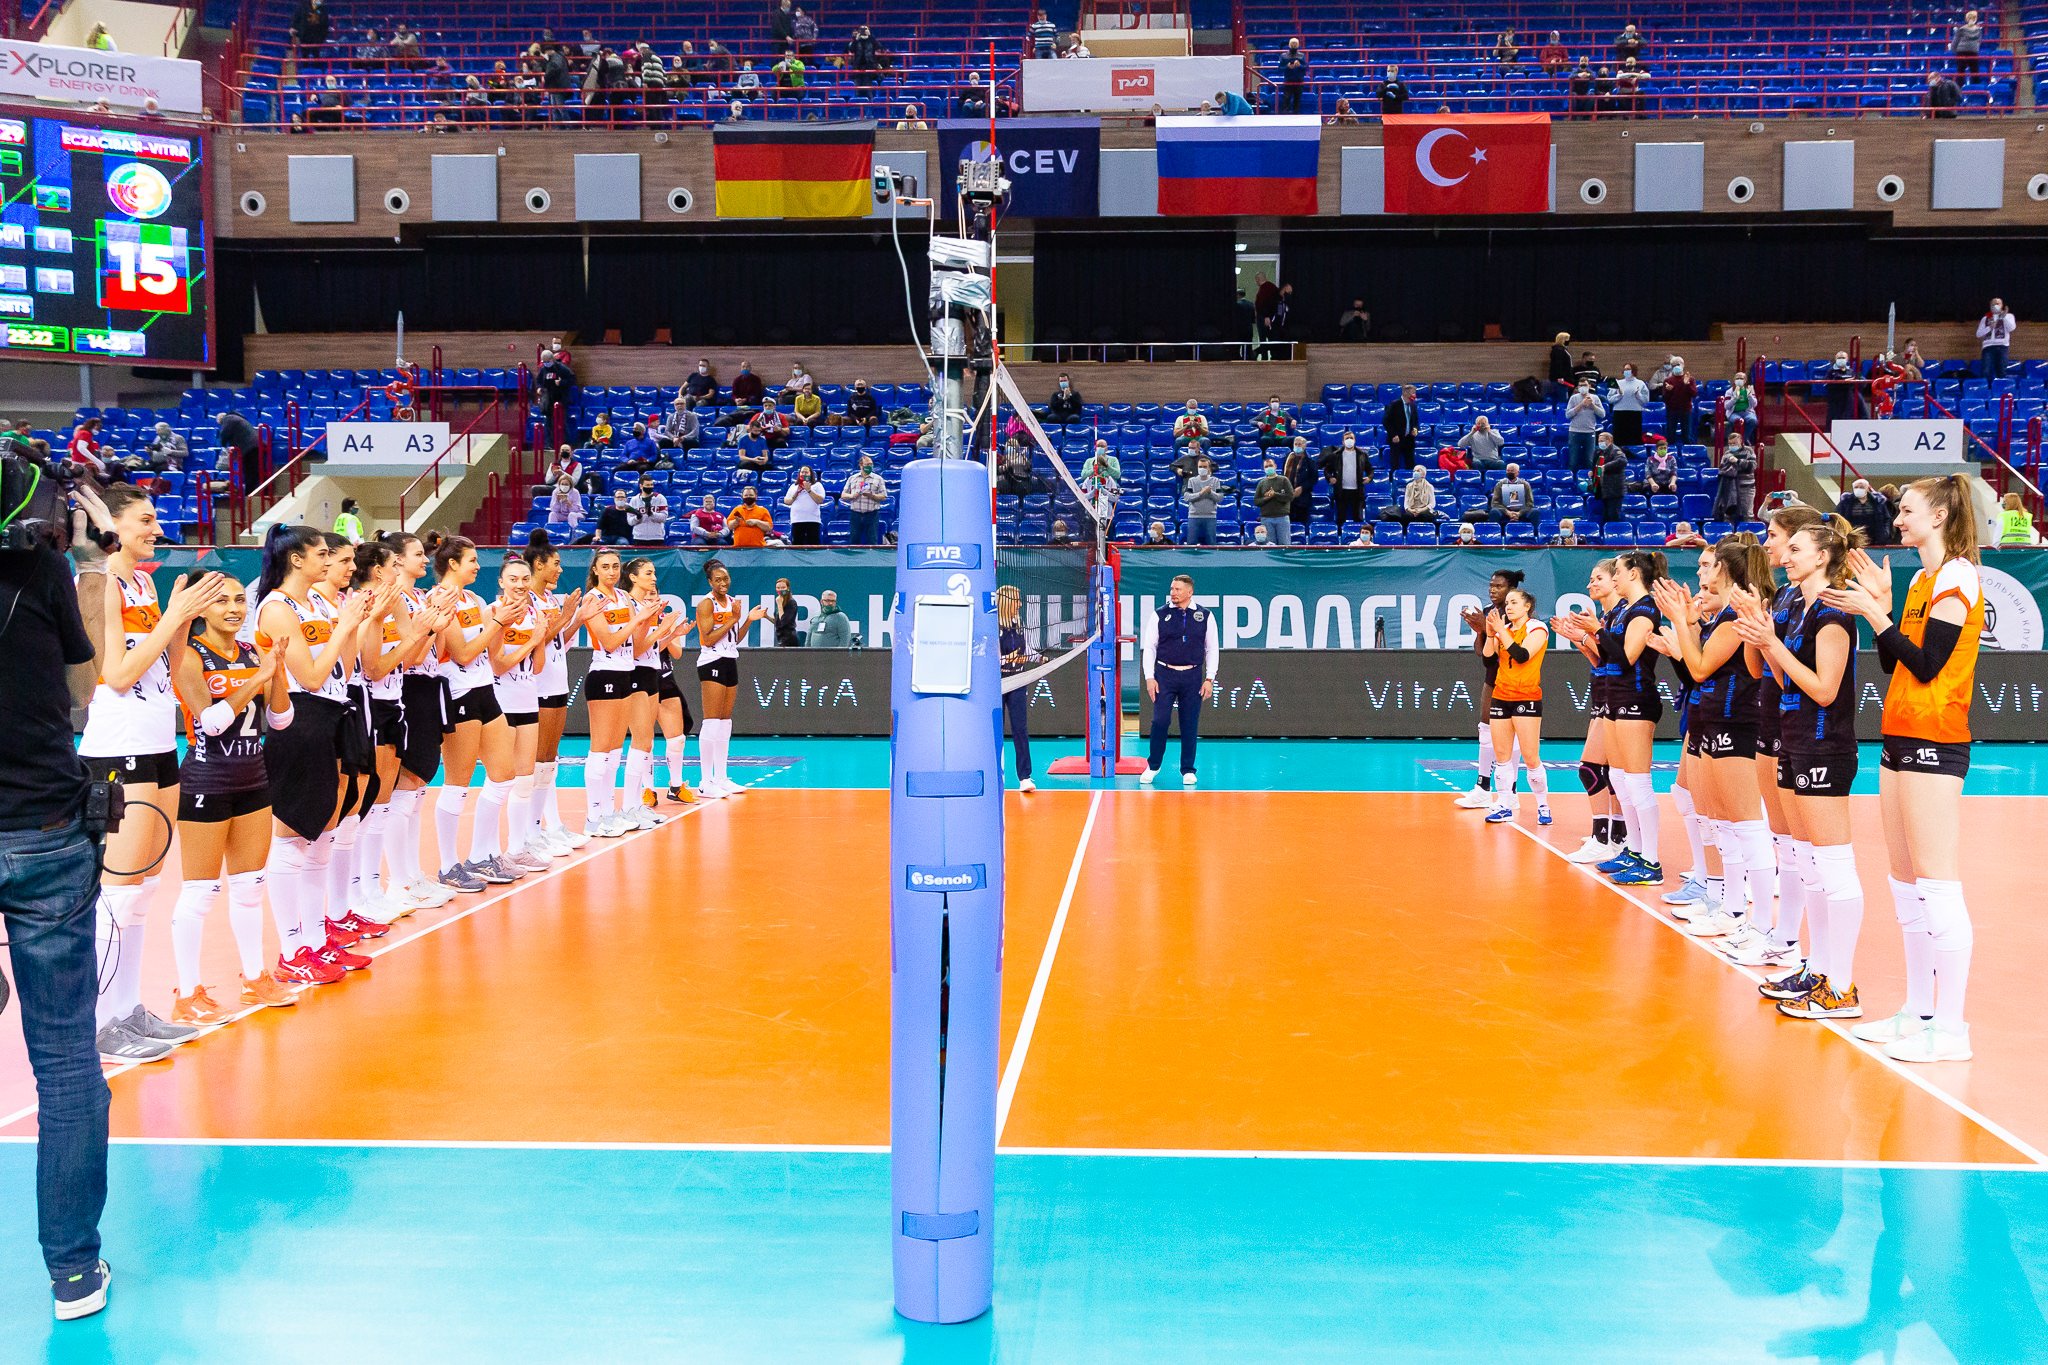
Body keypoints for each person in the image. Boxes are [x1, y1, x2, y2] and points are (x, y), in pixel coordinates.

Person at [1, 507, 121, 1318]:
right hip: (43, 831)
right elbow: (84, 694)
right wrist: (90, 565)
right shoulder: (40, 571)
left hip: (42, 827)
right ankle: (73, 1270)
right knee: (66, 1059)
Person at [1827, 477, 1981, 1060]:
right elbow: (1895, 665)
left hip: (1936, 738)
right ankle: (1918, 1010)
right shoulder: (1920, 580)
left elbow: (1927, 665)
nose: (1897, 520)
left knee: (1937, 884)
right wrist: (1884, 610)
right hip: (1899, 733)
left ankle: (1952, 1028)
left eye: (1908, 510)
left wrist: (1874, 611)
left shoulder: (1959, 578)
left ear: (1939, 515)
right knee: (1906, 884)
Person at [77, 486, 230, 1061]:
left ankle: (127, 1009)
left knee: (142, 891)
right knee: (117, 894)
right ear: (111, 525)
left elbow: (162, 662)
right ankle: (98, 1024)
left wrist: (180, 621)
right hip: (119, 750)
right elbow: (117, 675)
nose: (156, 528)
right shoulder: (102, 584)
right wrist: (174, 617)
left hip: (159, 743)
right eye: (144, 519)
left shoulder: (143, 583)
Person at [1732, 516, 1867, 1022]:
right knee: (1809, 863)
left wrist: (1771, 643)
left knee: (1833, 866)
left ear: (1822, 557)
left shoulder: (1833, 614)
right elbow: (1779, 676)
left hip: (1824, 745)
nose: (1785, 556)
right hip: (1794, 740)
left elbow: (1825, 689)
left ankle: (1843, 988)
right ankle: (1819, 969)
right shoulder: (1799, 607)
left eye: (1796, 549)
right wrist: (1760, 633)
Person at [167, 577, 302, 1020]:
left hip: (253, 778)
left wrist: (275, 672)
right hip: (207, 781)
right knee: (200, 891)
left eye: (240, 600)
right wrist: (258, 677)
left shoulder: (251, 652)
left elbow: (280, 720)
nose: (233, 608)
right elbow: (211, 723)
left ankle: (255, 978)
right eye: (221, 601)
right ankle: (188, 994)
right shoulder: (190, 655)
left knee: (249, 886)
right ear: (202, 610)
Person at [254, 524, 370, 984]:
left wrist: (352, 624)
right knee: (293, 837)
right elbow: (311, 676)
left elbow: (344, 667)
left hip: (333, 714)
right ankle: (290, 950)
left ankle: (317, 940)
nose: (330, 560)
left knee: (324, 832)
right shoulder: (276, 608)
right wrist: (344, 626)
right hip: (299, 718)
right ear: (296, 559)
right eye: (322, 554)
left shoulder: (320, 604)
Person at [1651, 536, 1778, 954]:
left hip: (1737, 723)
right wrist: (1687, 625)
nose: (1701, 574)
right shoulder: (1722, 616)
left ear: (1724, 569)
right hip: (1713, 720)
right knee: (1722, 823)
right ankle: (1729, 906)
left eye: (1708, 568)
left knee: (1745, 826)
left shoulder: (1732, 620)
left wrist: (1680, 623)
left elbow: (1701, 668)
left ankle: (1757, 921)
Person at [430, 537, 529, 890]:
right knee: (458, 782)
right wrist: (498, 622)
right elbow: (462, 653)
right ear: (453, 564)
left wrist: (506, 621)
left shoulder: (473, 599)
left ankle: (481, 856)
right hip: (458, 693)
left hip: (485, 689)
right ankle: (448, 866)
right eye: (471, 560)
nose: (477, 565)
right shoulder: (439, 599)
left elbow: (488, 649)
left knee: (504, 774)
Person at [1593, 551, 1668, 886]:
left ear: (1634, 574)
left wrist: (1597, 631)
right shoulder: (1623, 609)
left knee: (1637, 781)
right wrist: (1588, 636)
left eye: (1618, 572)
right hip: (1614, 697)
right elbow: (1608, 656)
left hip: (1636, 700)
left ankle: (1651, 862)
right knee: (1619, 778)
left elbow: (1626, 659)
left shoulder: (1645, 609)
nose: (1615, 578)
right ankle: (1634, 851)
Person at [1550, 560, 1627, 862]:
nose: (1590, 584)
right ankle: (1616, 835)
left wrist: (1586, 636)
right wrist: (1581, 641)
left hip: (1617, 698)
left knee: (1590, 768)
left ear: (1615, 581)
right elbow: (1601, 661)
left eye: (1598, 579)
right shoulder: (1608, 616)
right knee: (1610, 772)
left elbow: (1620, 659)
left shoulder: (1620, 616)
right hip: (1604, 693)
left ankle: (1602, 837)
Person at [695, 561, 769, 799]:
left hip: (729, 660)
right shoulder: (707, 603)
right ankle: (705, 781)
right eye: (717, 579)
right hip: (712, 662)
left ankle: (721, 777)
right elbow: (707, 639)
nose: (723, 583)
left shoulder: (732, 602)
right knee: (712, 721)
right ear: (710, 582)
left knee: (725, 722)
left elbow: (734, 638)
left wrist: (747, 620)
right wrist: (733, 618)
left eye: (725, 578)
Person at [1480, 588, 1550, 826]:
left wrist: (1500, 631)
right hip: (1501, 695)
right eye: (1507, 603)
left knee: (1530, 757)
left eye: (1514, 603)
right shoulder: (1505, 630)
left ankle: (1543, 805)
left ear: (1527, 606)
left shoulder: (1537, 628)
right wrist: (1490, 635)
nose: (1508, 607)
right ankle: (1504, 804)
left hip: (1526, 697)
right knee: (1502, 757)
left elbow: (1522, 655)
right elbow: (1488, 660)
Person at [1454, 571, 1523, 810]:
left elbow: (1515, 649)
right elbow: (1482, 653)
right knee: (1485, 730)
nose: (1493, 590)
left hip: (1514, 680)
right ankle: (1482, 789)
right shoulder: (1488, 612)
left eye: (1499, 586)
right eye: (1491, 585)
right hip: (1492, 678)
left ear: (1511, 588)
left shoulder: (1517, 613)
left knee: (1511, 736)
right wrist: (1481, 631)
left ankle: (1511, 792)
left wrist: (1488, 627)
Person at [1140, 574, 1218, 787]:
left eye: (1177, 589)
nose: (1173, 593)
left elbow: (1212, 649)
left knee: (1189, 723)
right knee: (1160, 721)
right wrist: (1149, 677)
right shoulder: (1159, 615)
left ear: (1189, 592)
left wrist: (1209, 678)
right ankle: (1153, 766)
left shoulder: (1205, 616)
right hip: (1164, 675)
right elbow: (1150, 648)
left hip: (1192, 676)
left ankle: (1188, 770)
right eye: (1172, 589)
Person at [996, 585, 1042, 792]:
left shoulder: (1018, 624)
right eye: (1016, 600)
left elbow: (1026, 650)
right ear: (1006, 602)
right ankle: (994, 774)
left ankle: (1025, 777)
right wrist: (1010, 658)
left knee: (1020, 729)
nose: (1020, 604)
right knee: (995, 730)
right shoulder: (993, 625)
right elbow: (992, 658)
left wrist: (1040, 658)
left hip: (1018, 681)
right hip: (998, 683)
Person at [1321, 431, 1372, 524]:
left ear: (1355, 440)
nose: (1349, 440)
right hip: (1341, 491)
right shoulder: (1335, 455)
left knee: (1358, 518)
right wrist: (1330, 478)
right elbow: (1327, 470)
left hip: (1357, 491)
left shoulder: (1362, 455)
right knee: (1341, 519)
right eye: (1347, 438)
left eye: (1351, 438)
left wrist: (1369, 477)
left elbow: (1370, 469)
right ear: (1343, 441)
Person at [1181, 458, 1232, 545]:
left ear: (1209, 468)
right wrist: (1200, 493)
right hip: (1194, 516)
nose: (1202, 469)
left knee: (1211, 543)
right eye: (1200, 466)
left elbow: (1220, 498)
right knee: (1191, 543)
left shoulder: (1215, 481)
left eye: (1204, 467)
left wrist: (1210, 492)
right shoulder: (1191, 481)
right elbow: (1186, 497)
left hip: (1210, 517)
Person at [840, 456, 889, 545]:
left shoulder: (878, 479)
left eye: (871, 464)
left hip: (872, 514)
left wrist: (872, 496)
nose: (870, 466)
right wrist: (852, 496)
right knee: (854, 539)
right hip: (855, 514)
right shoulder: (852, 478)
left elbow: (883, 496)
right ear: (861, 465)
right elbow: (843, 495)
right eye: (867, 464)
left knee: (872, 540)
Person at [1712, 433, 1758, 523]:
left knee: (1747, 515)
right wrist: (1740, 466)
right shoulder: (1727, 454)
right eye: (1730, 444)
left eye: (1734, 443)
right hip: (1730, 488)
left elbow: (1752, 466)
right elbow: (1722, 469)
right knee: (1729, 514)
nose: (1732, 446)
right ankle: (1729, 532)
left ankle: (1747, 532)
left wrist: (1738, 461)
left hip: (1747, 488)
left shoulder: (1749, 451)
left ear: (1741, 441)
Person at [1836, 478, 1893, 545]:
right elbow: (1839, 519)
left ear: (1867, 489)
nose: (1858, 489)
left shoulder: (1878, 502)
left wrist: (1885, 534)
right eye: (1856, 487)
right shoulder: (1846, 502)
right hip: (1852, 538)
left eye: (1861, 487)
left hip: (1875, 539)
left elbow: (1887, 519)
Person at [1254, 456, 1295, 546]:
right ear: (1263, 468)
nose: (1268, 468)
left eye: (1270, 465)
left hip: (1282, 518)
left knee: (1285, 545)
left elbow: (1290, 497)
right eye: (1266, 466)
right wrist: (1267, 498)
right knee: (1269, 546)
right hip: (1266, 519)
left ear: (1275, 466)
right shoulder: (1261, 483)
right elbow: (1256, 501)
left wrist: (1275, 494)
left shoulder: (1284, 480)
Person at [1608, 364, 1651, 448]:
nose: (1626, 371)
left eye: (1628, 369)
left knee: (1634, 437)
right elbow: (1610, 399)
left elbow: (1646, 400)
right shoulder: (1617, 383)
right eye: (1625, 369)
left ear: (1633, 370)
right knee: (1619, 437)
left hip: (1634, 413)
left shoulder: (1640, 383)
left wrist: (1639, 396)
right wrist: (1619, 395)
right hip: (1619, 413)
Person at [1566, 380, 1606, 471]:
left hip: (1590, 432)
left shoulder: (1595, 398)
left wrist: (1593, 405)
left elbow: (1602, 414)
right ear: (1578, 387)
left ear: (1589, 386)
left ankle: (1589, 479)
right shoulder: (1573, 398)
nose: (1582, 387)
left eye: (1584, 385)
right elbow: (1568, 415)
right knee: (1573, 461)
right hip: (1575, 432)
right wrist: (1581, 404)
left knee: (1589, 461)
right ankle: (1573, 478)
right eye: (1580, 385)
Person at [1591, 434, 1628, 525]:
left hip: (1615, 490)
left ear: (1609, 440)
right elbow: (1596, 466)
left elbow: (1622, 461)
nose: (1600, 443)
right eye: (1599, 441)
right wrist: (1593, 472)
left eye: (1602, 440)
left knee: (1613, 516)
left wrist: (1605, 467)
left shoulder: (1616, 451)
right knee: (1605, 516)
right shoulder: (1598, 452)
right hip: (1603, 490)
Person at [1382, 384, 1421, 470]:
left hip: (1409, 440)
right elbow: (1386, 421)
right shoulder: (1394, 404)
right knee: (1395, 465)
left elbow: (1416, 421)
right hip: (1397, 440)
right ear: (1405, 393)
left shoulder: (1413, 405)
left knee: (1410, 465)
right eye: (1413, 393)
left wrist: (1415, 429)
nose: (1414, 395)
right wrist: (1393, 435)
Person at [783, 467, 826, 545]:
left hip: (813, 520)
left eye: (806, 472)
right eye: (802, 472)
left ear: (811, 474)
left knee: (814, 545)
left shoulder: (817, 485)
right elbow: (786, 501)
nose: (804, 474)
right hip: (797, 520)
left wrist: (809, 490)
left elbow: (820, 500)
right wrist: (796, 493)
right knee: (797, 546)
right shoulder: (793, 486)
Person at [1976, 297, 2016, 378]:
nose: (1995, 306)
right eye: (1993, 304)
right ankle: (1986, 385)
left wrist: (2003, 317)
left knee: (2001, 370)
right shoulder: (1985, 318)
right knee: (1986, 370)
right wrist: (1989, 328)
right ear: (1990, 306)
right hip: (1988, 347)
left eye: (1997, 304)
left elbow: (2011, 328)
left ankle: (2000, 385)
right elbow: (1978, 334)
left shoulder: (2009, 316)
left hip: (2002, 346)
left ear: (2001, 305)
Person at [1278, 39, 1309, 114]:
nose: (1294, 45)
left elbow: (1306, 68)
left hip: (1299, 81)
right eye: (1292, 43)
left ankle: (1296, 115)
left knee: (1297, 100)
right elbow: (1280, 68)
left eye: (1295, 43)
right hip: (1288, 80)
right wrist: (1287, 66)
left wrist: (1299, 65)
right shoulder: (1283, 56)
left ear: (1298, 45)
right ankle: (1285, 115)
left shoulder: (1302, 56)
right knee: (1286, 99)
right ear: (1289, 44)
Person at [1952, 11, 1983, 78]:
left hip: (1964, 51)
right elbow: (1979, 41)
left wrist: (1954, 50)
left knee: (1962, 71)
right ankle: (1974, 84)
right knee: (1973, 71)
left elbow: (1955, 41)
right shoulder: (1978, 30)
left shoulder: (1962, 29)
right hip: (1970, 51)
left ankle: (1963, 84)